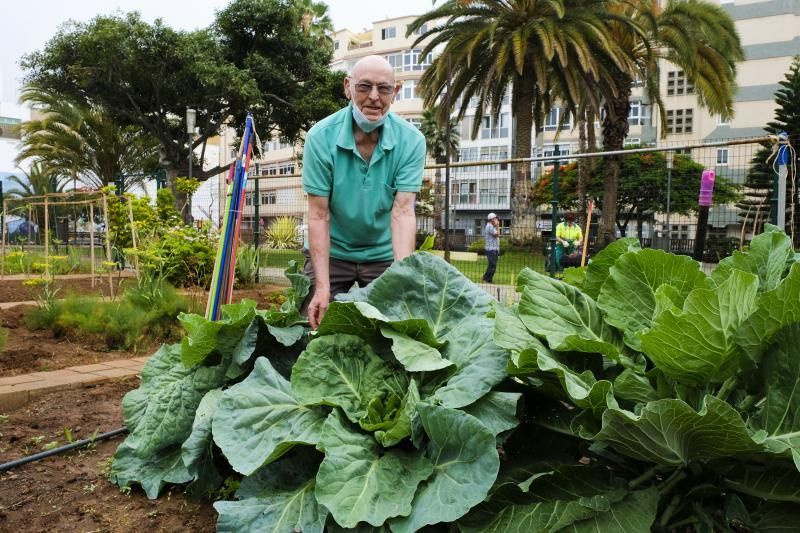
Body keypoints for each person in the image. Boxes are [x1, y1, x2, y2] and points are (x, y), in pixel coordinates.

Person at [301, 55, 426, 328]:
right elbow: (318, 215)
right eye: (363, 87)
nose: (373, 97)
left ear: (396, 91)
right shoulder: (320, 137)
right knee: (311, 323)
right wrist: (322, 288)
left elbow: (403, 211)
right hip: (332, 253)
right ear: (348, 87)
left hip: (381, 254)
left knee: (397, 327)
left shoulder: (412, 141)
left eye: (383, 88)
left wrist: (401, 277)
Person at [482, 213, 500, 283]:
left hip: (494, 248)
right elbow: (497, 234)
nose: (496, 220)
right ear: (492, 219)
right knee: (492, 264)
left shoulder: (491, 226)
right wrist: (498, 226)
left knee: (492, 265)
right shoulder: (489, 226)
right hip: (491, 249)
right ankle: (486, 278)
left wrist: (495, 226)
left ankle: (489, 279)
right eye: (495, 218)